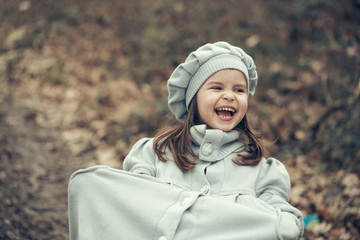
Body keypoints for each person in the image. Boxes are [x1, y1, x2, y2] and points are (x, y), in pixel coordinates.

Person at [68, 41, 304, 240]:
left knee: (281, 225)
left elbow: (285, 225)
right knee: (86, 182)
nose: (230, 95)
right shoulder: (155, 152)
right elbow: (134, 210)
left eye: (240, 90)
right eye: (217, 87)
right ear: (194, 99)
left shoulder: (262, 171)